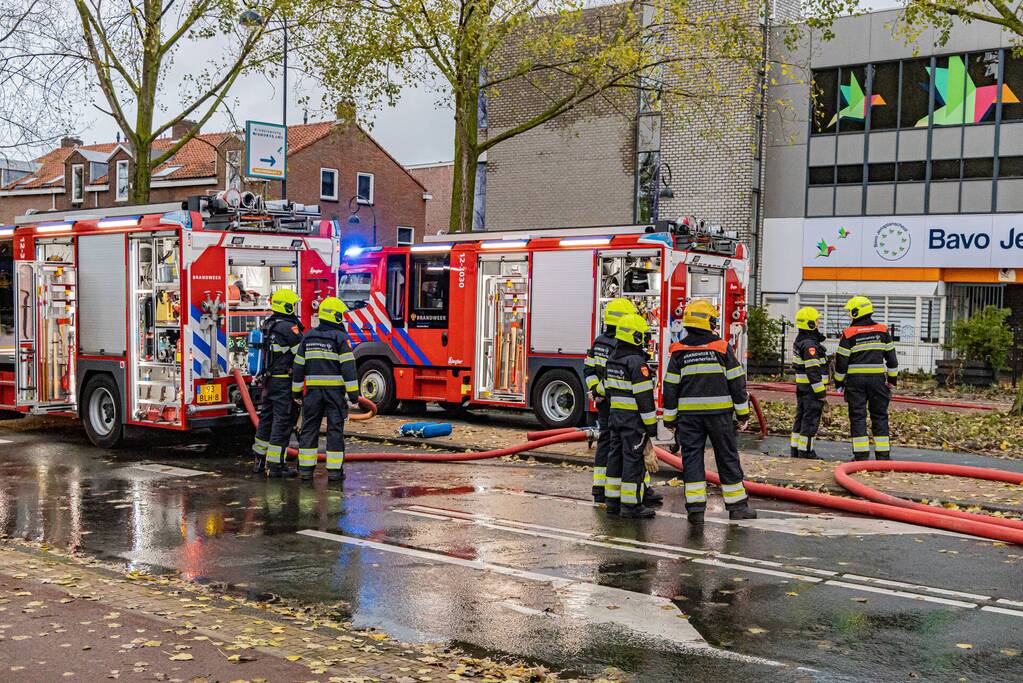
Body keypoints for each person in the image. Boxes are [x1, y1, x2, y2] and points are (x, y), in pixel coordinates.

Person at [662, 299, 756, 525]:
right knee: (727, 457)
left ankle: (695, 510)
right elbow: (737, 383)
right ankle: (737, 507)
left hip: (689, 419)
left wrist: (669, 420)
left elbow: (670, 387)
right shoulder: (722, 347)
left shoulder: (678, 350)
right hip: (719, 417)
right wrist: (743, 414)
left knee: (692, 459)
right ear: (709, 322)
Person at [292, 297, 361, 482]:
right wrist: (354, 395)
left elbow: (298, 367)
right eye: (341, 315)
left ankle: (306, 470)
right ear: (335, 316)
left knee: (309, 429)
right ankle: (335, 472)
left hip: (312, 393)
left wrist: (296, 392)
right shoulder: (340, 338)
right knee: (334, 430)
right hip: (334, 394)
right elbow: (348, 368)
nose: (343, 319)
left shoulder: (308, 337)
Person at [604, 312, 660, 518]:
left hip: (615, 418)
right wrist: (651, 428)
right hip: (633, 422)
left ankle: (612, 502)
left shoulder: (612, 359)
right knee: (632, 461)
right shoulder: (637, 363)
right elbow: (644, 399)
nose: (646, 340)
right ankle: (631, 505)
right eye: (643, 336)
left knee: (615, 458)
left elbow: (607, 389)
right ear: (635, 337)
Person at [834, 296, 898, 461]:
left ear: (856, 312)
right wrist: (892, 380)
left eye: (850, 311)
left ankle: (861, 456)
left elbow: (841, 362)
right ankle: (883, 456)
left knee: (857, 416)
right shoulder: (883, 331)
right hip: (878, 382)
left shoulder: (848, 334)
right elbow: (892, 360)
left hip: (855, 383)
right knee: (880, 415)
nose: (849, 314)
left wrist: (839, 382)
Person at [252, 289, 304, 478]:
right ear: (287, 307)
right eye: (293, 304)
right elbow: (302, 354)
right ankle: (275, 465)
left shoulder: (268, 324)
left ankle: (259, 460)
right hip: (284, 383)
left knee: (266, 420)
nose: (295, 307)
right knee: (282, 422)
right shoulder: (289, 329)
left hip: (269, 381)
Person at [791, 306, 829, 459]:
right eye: (817, 320)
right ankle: (806, 452)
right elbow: (813, 370)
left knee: (801, 418)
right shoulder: (810, 345)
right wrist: (821, 393)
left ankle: (796, 449)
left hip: (803, 387)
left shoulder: (801, 341)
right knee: (810, 420)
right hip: (811, 389)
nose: (819, 322)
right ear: (811, 324)